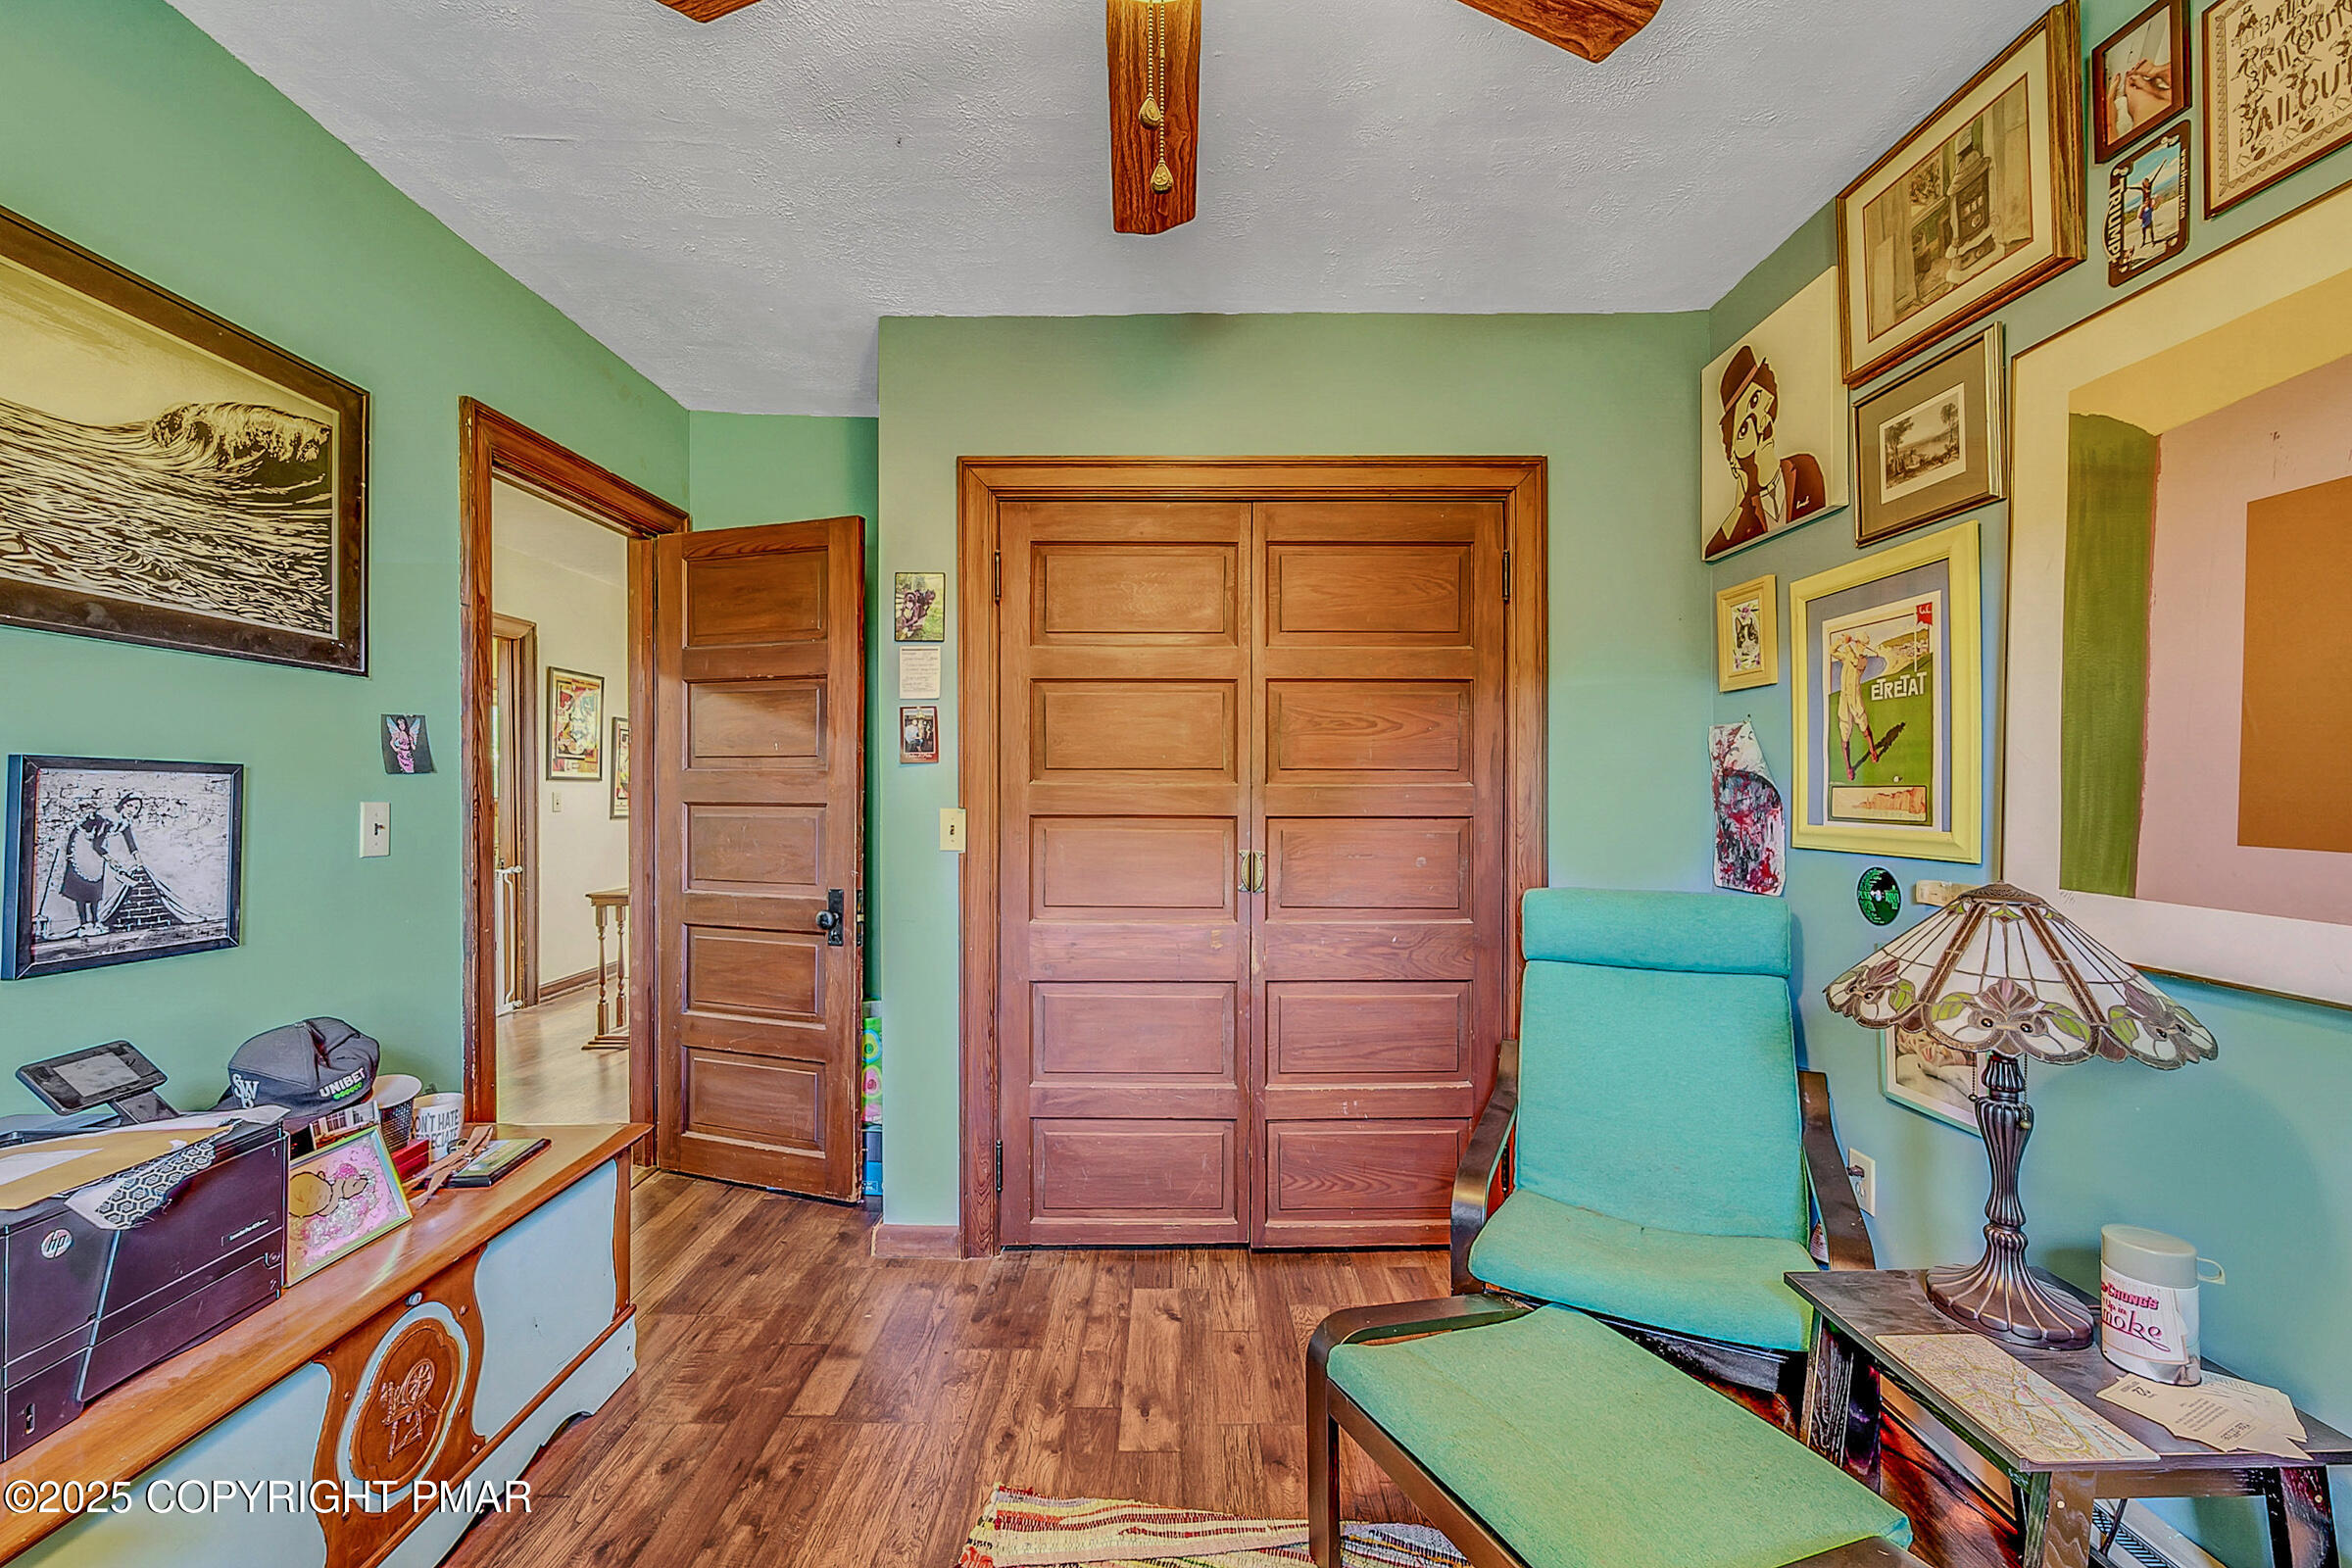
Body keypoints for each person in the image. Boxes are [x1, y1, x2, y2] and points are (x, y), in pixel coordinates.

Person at [1707, 346, 1826, 559]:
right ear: (1734, 454)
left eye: (1756, 402)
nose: (1760, 425)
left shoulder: (1805, 468)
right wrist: (1738, 507)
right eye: (1744, 428)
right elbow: (1713, 551)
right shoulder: (1745, 514)